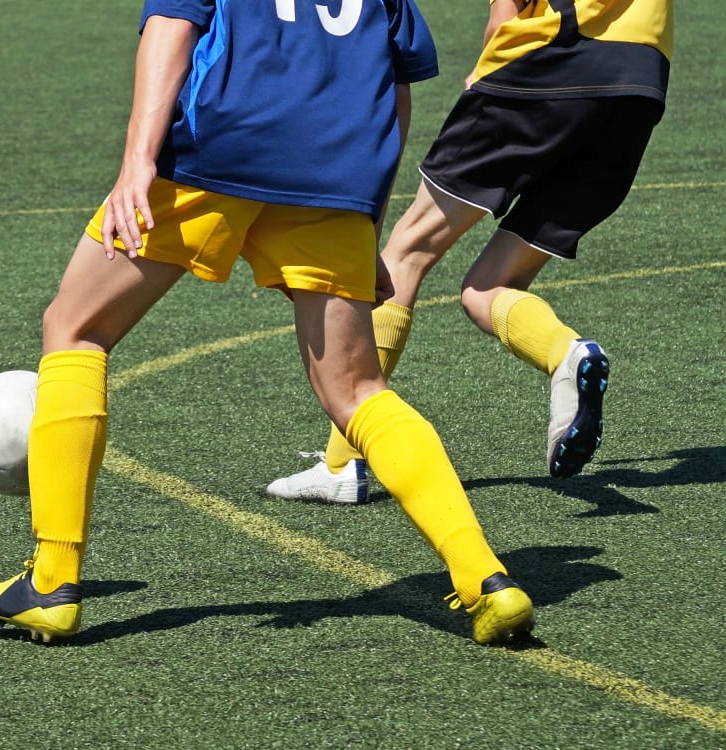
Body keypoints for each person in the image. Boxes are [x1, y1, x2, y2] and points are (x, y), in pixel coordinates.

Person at [0, 1, 534, 649]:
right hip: (338, 168)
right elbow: (397, 83)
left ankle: (52, 582)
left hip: (219, 148)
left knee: (75, 329)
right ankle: (485, 579)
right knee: (358, 393)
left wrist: (136, 163)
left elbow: (172, 25)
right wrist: (369, 222)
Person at [266, 0, 673, 504]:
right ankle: (567, 353)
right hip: (641, 82)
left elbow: (505, 10)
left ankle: (343, 462)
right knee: (490, 286)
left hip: (550, 60)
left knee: (406, 252)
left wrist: (488, 68)